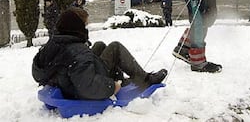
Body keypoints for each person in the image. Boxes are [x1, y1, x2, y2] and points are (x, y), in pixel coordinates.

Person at [32, 7, 167, 100]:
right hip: (76, 85)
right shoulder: (77, 50)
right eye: (84, 26)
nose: (85, 29)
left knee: (99, 45)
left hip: (66, 80)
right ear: (76, 26)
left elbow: (38, 71)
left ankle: (120, 78)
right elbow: (87, 86)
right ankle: (145, 80)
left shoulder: (55, 42)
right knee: (115, 48)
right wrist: (112, 87)